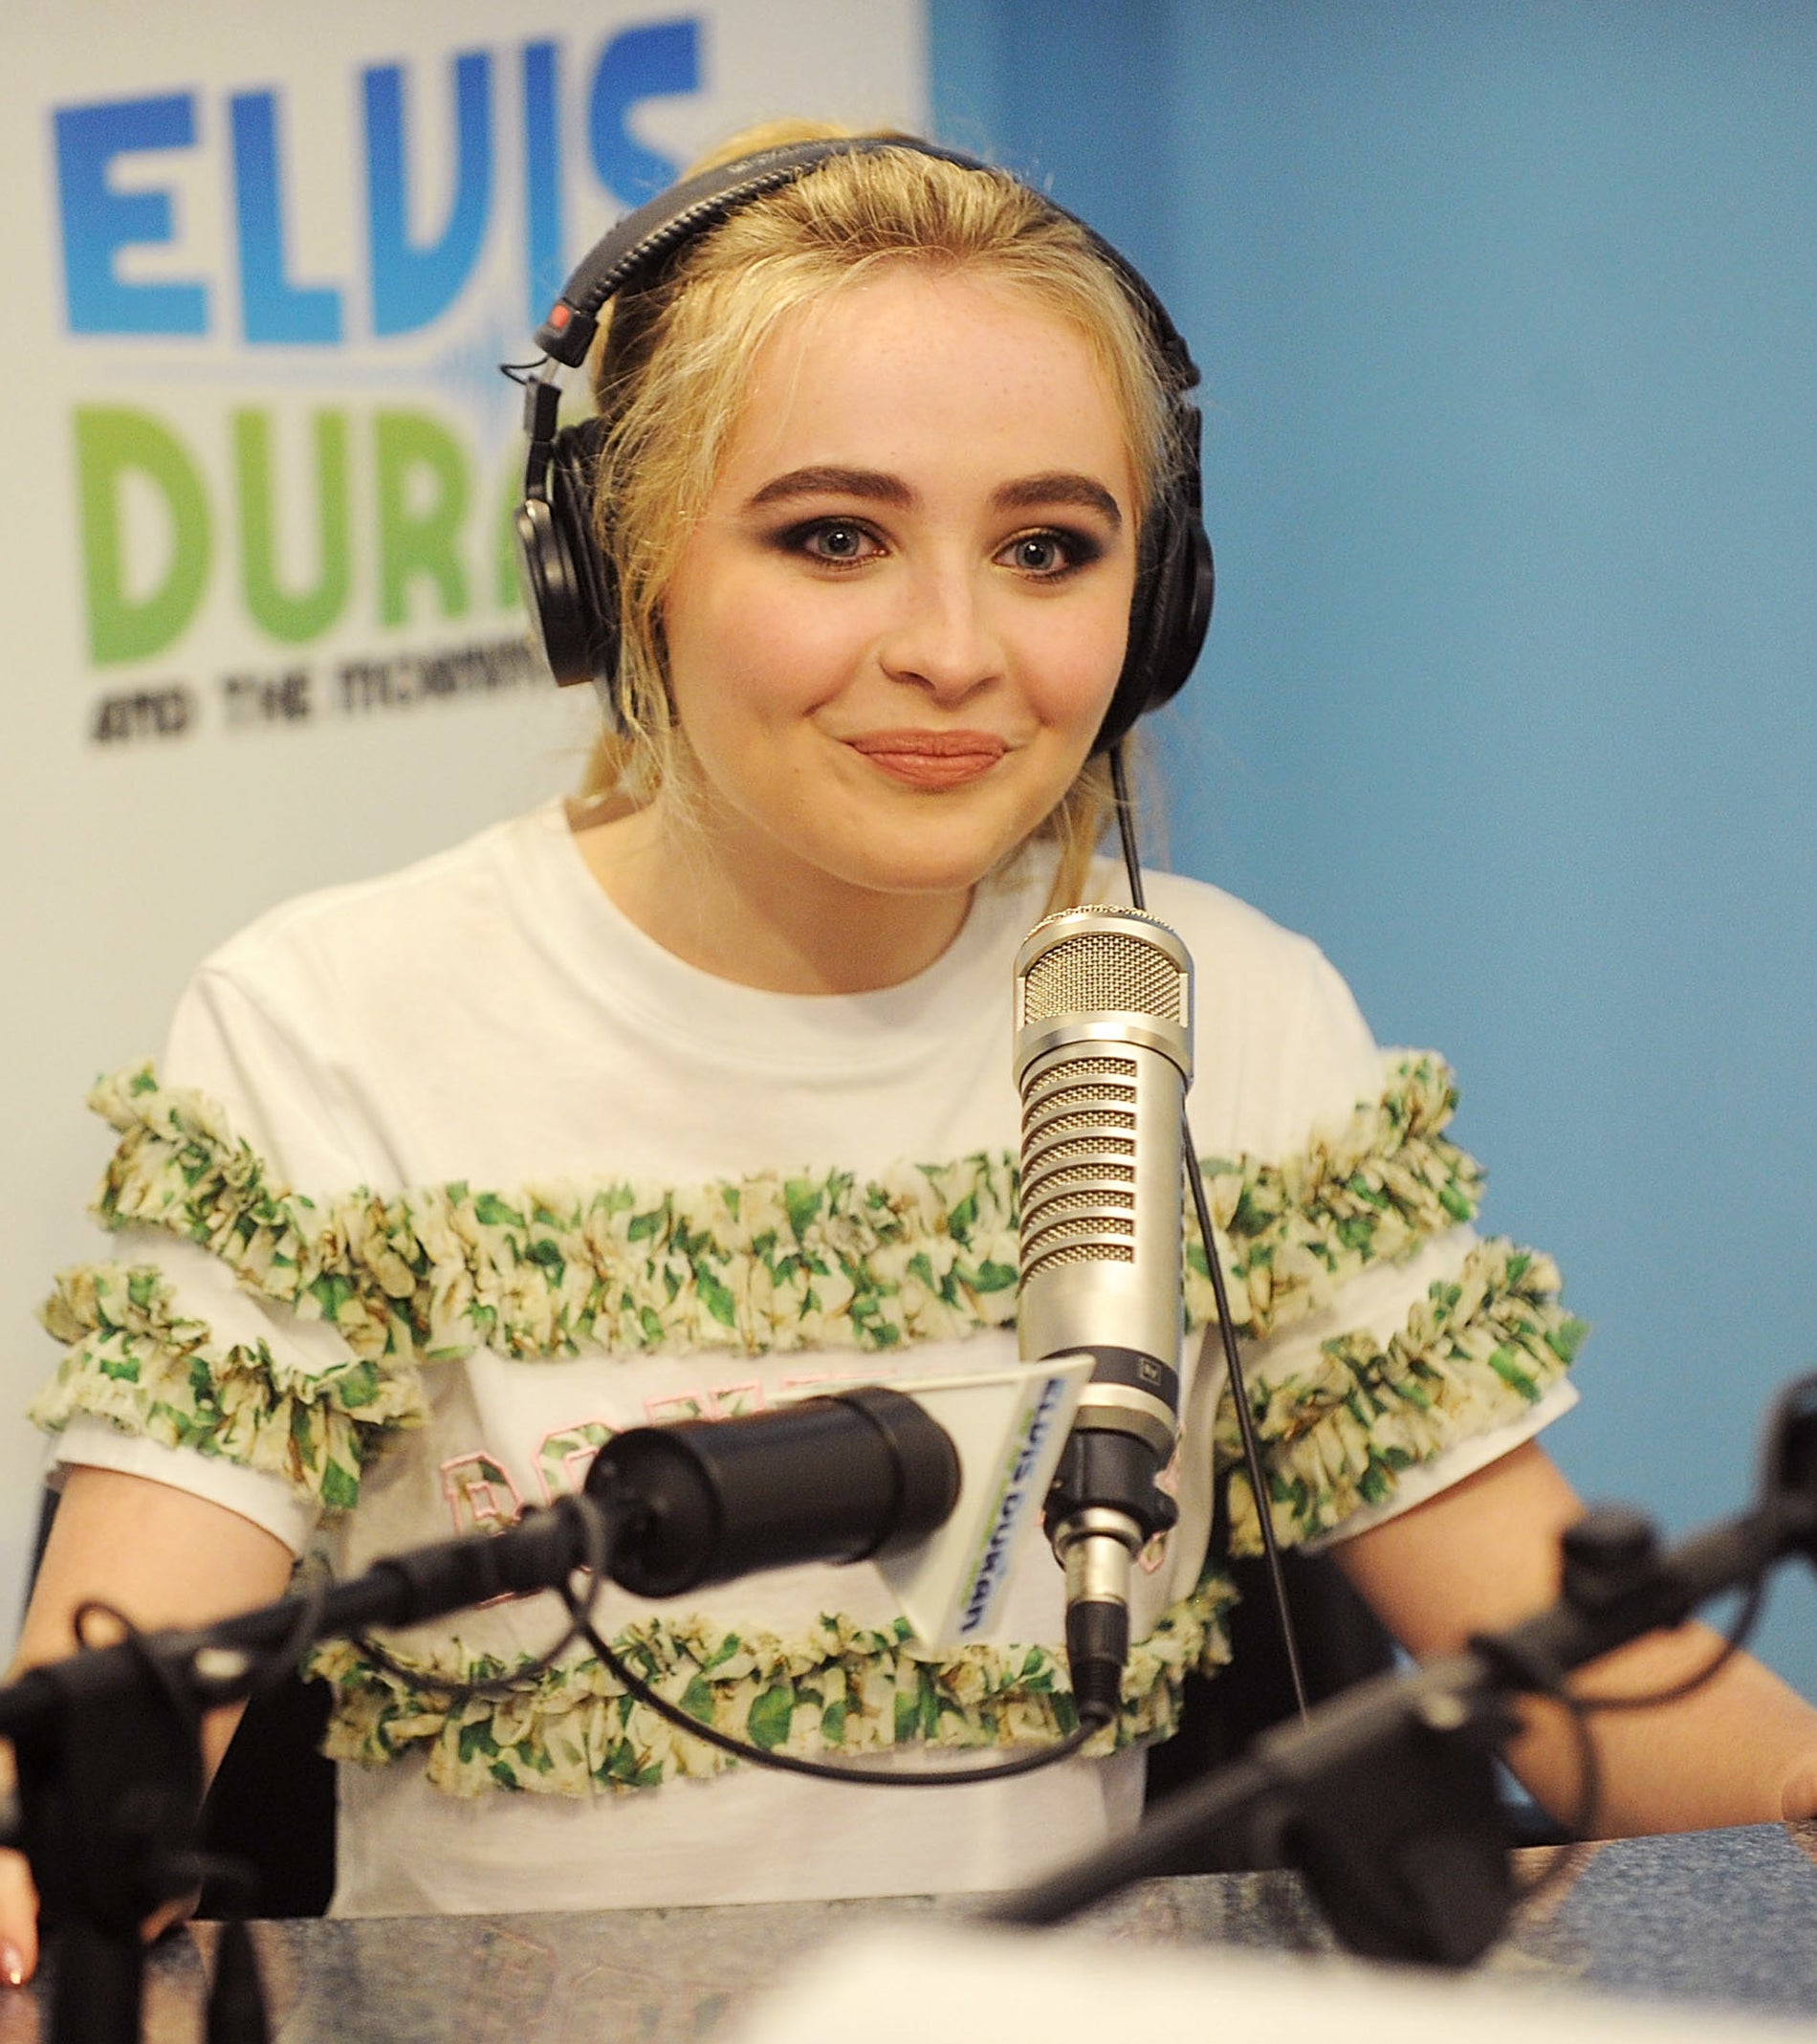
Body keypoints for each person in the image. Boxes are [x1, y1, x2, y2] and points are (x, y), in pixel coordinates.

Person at [6, 120, 1817, 1975]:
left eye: (1045, 546)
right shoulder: (327, 1028)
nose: (954, 648)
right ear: (613, 558)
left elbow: (1572, 1679)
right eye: (832, 536)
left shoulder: (1232, 1021)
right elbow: (116, 1739)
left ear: (1158, 596)